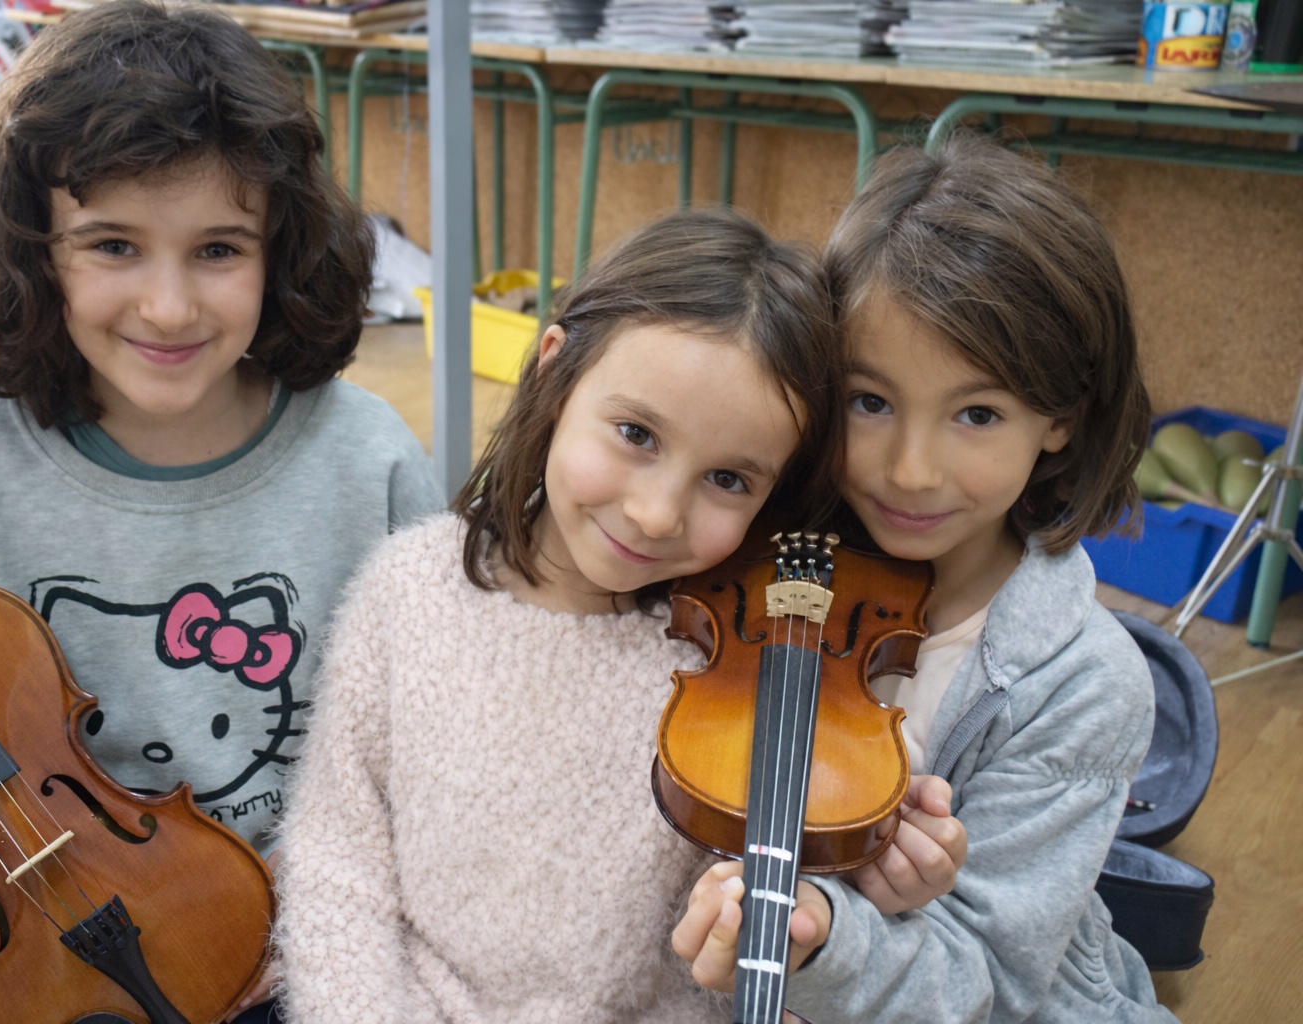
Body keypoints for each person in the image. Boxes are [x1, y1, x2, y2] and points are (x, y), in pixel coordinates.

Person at [0, 3, 439, 1021]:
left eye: (219, 250)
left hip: (305, 932)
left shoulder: (371, 457)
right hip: (51, 927)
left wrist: (318, 920)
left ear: (282, 249)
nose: (168, 308)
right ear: (38, 251)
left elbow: (422, 746)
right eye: (113, 244)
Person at [277, 209, 967, 1024]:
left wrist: (873, 873)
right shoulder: (406, 587)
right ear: (554, 373)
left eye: (730, 479)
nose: (654, 512)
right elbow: (336, 866)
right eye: (637, 433)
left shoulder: (755, 664)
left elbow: (782, 929)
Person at [673, 136, 1176, 1022]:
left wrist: (827, 934)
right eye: (870, 401)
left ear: (1062, 417)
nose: (909, 471)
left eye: (977, 413)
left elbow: (993, 981)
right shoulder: (765, 553)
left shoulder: (1088, 686)